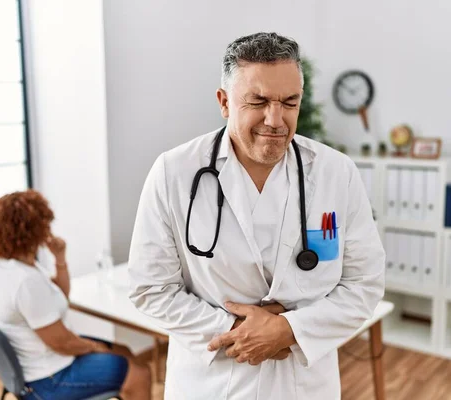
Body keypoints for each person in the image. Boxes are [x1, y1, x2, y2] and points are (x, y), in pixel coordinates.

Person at [128, 32, 385, 399]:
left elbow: (365, 282)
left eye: (290, 102)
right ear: (224, 102)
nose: (276, 120)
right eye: (258, 101)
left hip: (301, 381)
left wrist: (290, 331)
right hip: (212, 381)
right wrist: (239, 330)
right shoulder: (174, 172)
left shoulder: (335, 172)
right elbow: (151, 287)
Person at [0, 189, 151, 400]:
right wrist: (94, 347)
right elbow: (61, 343)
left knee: (123, 350)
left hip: (44, 362)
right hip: (49, 378)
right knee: (140, 374)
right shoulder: (25, 282)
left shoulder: (13, 267)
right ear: (32, 231)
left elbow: (60, 296)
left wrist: (60, 259)